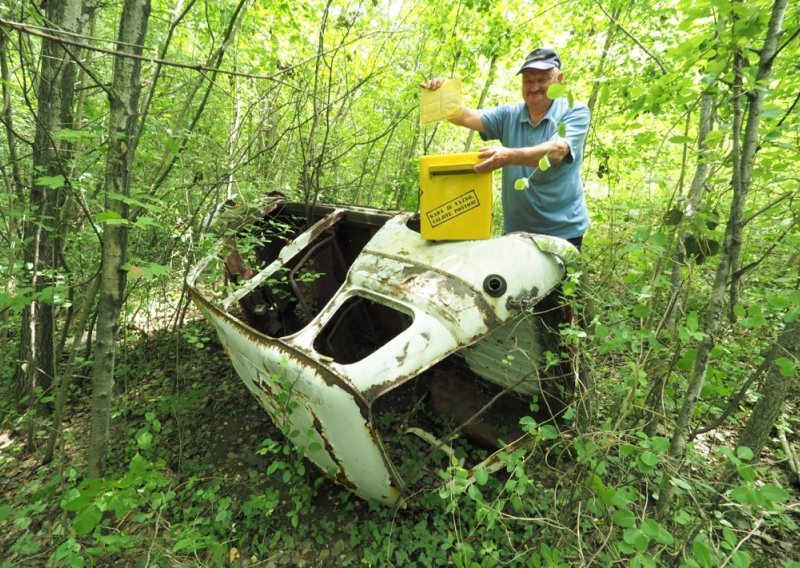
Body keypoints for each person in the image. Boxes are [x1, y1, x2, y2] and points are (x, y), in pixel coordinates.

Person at [420, 48, 590, 250]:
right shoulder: (509, 115)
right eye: (528, 80)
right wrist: (442, 93)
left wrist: (507, 156)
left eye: (543, 79)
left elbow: (557, 151)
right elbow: (464, 117)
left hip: (563, 232)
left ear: (559, 79)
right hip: (517, 231)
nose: (534, 87)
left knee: (559, 283)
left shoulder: (575, 111)